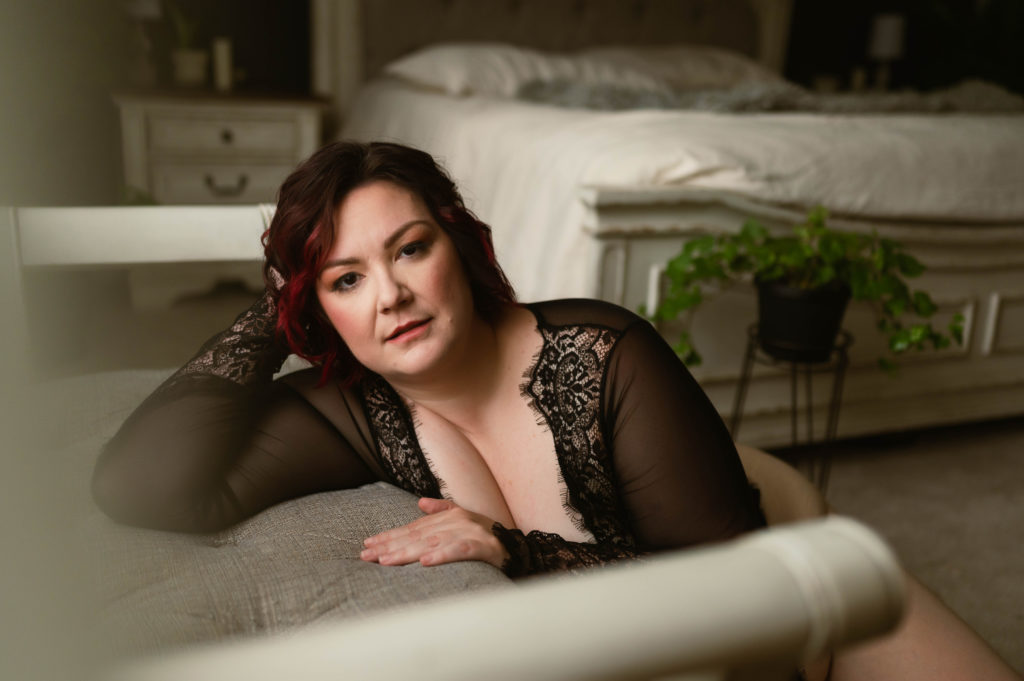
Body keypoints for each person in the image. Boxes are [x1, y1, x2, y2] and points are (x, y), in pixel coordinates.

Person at [91, 141, 1020, 680]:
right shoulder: (354, 406)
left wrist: (513, 549)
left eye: (409, 249)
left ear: (456, 243)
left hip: (812, 594)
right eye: (346, 278)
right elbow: (146, 483)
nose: (390, 296)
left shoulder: (605, 355)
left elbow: (746, 613)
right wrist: (278, 298)